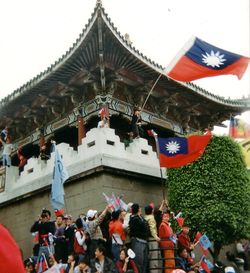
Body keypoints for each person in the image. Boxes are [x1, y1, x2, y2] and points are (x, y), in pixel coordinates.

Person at [129, 203, 149, 273]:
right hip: (138, 241)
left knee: (144, 261)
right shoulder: (134, 219)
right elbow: (144, 226)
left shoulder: (139, 218)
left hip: (143, 241)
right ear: (138, 209)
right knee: (139, 262)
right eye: (139, 208)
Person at [144, 204, 161, 273]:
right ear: (152, 211)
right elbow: (152, 228)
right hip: (152, 239)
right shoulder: (151, 218)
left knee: (155, 257)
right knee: (154, 258)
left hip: (147, 239)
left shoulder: (145, 217)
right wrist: (156, 237)